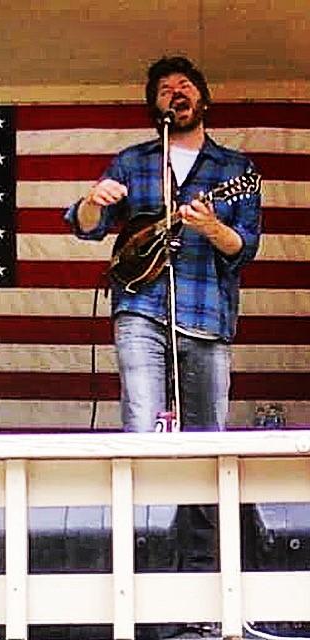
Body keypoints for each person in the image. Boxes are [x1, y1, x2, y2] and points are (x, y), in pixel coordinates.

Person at [65, 56, 262, 433]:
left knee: (207, 438)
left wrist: (211, 227)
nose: (176, 94)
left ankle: (201, 498)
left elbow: (244, 248)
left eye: (185, 86)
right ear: (155, 107)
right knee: (142, 428)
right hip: (140, 308)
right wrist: (92, 201)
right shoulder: (132, 161)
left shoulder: (237, 170)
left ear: (203, 99)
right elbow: (87, 227)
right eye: (165, 90)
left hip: (206, 314)